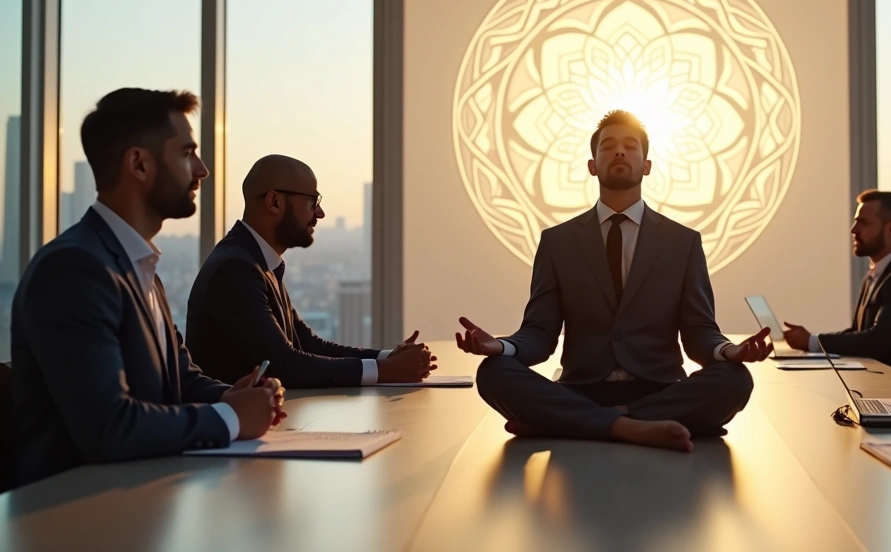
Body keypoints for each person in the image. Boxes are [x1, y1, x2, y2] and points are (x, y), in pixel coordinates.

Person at [10, 88, 285, 487]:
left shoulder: (140, 270)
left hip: (137, 501)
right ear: (139, 164)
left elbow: (181, 379)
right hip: (74, 520)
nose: (202, 169)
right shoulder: (73, 269)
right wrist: (230, 417)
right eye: (187, 152)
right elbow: (110, 425)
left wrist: (235, 397)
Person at [456, 110, 771, 453]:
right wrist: (501, 347)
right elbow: (540, 334)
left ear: (646, 165)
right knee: (493, 373)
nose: (619, 152)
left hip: (660, 389)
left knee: (735, 379)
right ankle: (632, 426)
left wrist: (728, 350)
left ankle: (585, 422)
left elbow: (699, 331)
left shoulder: (684, 242)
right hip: (582, 388)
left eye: (630, 146)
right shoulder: (557, 242)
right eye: (608, 147)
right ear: (592, 165)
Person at [186, 155, 436, 388]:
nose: (319, 213)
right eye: (311, 202)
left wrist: (389, 358)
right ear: (274, 202)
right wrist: (386, 370)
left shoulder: (256, 261)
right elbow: (284, 364)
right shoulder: (236, 269)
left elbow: (306, 343)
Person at [783, 191, 891, 370]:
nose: (854, 229)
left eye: (863, 223)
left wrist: (813, 341)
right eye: (856, 221)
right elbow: (858, 334)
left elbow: (875, 341)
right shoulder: (875, 276)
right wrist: (811, 339)